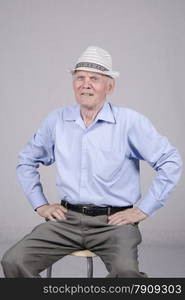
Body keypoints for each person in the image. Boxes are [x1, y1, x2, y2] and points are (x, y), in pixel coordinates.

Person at [1, 46, 182, 278]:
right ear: (74, 83)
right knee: (14, 261)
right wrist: (41, 204)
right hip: (66, 220)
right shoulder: (57, 120)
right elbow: (26, 160)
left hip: (114, 224)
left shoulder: (130, 122)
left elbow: (170, 161)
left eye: (94, 79)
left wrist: (144, 209)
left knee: (126, 274)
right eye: (80, 78)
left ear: (109, 86)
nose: (86, 84)